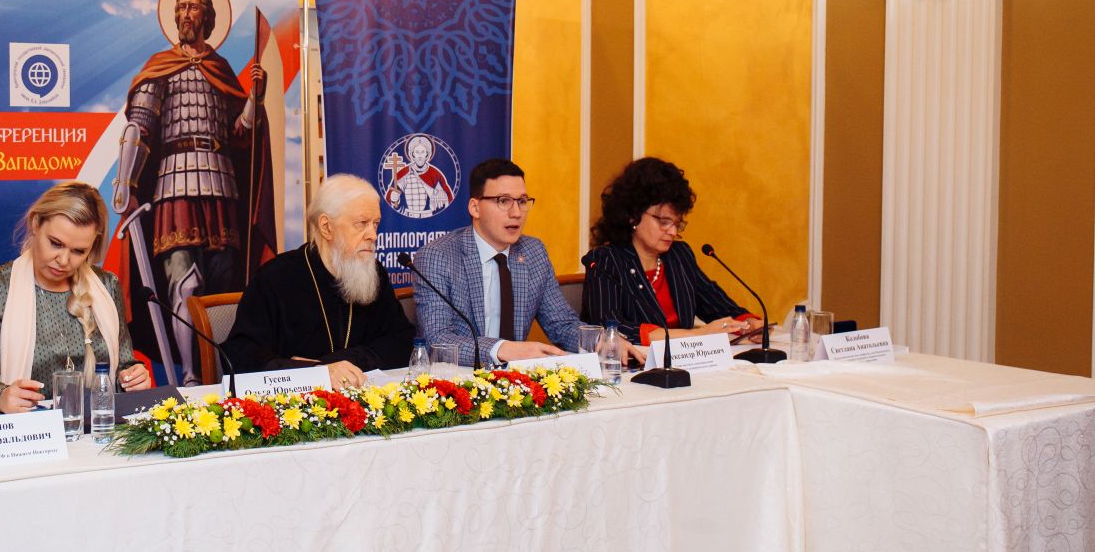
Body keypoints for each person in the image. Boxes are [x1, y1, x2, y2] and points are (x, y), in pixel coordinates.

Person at [113, 0, 267, 380]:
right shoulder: (160, 66)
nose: (185, 14)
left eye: (193, 7)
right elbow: (138, 128)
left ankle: (219, 371)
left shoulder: (221, 69)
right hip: (174, 184)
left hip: (221, 184)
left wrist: (254, 97)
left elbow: (241, 134)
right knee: (184, 284)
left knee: (221, 286)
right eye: (180, 7)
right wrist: (126, 185)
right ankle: (191, 377)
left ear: (207, 17)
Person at [0, 182, 150, 413]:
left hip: (99, 425)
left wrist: (132, 378)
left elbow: (121, 367)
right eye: (56, 244)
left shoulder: (107, 286)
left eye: (79, 251)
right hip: (27, 426)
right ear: (35, 223)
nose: (64, 260)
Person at [223, 174, 413, 388]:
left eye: (375, 224)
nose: (373, 235)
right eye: (362, 224)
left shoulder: (374, 274)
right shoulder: (275, 278)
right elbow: (241, 356)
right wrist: (313, 372)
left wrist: (338, 363)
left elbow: (401, 340)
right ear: (326, 227)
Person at [410, 158, 581, 366]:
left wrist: (604, 341)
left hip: (517, 381)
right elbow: (438, 340)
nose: (516, 213)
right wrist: (501, 349)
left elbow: (562, 325)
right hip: (461, 378)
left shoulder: (533, 252)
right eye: (503, 201)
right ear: (475, 208)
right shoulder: (438, 256)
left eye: (522, 201)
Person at [579, 157, 760, 346]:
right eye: (664, 222)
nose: (673, 232)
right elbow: (610, 329)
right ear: (633, 215)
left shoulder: (679, 255)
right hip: (634, 363)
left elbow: (718, 306)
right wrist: (698, 334)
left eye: (677, 223)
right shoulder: (606, 260)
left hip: (685, 359)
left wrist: (748, 323)